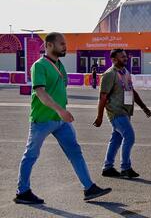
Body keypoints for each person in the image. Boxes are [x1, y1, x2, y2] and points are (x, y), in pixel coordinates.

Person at [14, 32, 111, 204]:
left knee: (75, 151)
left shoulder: (60, 64)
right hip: (42, 120)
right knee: (31, 155)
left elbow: (61, 87)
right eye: (61, 43)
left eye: (65, 43)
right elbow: (41, 92)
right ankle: (22, 192)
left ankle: (89, 188)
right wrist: (61, 110)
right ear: (49, 45)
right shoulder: (39, 65)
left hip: (60, 121)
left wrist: (62, 111)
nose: (65, 46)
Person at [94, 49, 151, 179]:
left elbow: (132, 91)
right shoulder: (109, 74)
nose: (125, 58)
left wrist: (143, 107)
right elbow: (102, 97)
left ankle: (107, 167)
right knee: (129, 136)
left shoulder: (126, 73)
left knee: (116, 139)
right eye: (122, 57)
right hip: (116, 112)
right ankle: (125, 168)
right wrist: (99, 117)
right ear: (113, 59)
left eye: (126, 56)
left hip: (126, 111)